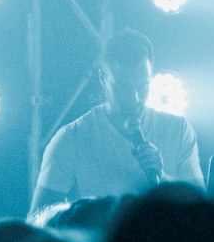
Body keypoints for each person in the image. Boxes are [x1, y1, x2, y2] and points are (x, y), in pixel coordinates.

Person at [29, 29, 204, 218]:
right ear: (103, 79)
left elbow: (202, 211)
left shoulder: (178, 130)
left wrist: (162, 177)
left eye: (142, 85)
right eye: (123, 87)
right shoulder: (71, 138)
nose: (135, 98)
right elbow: (37, 220)